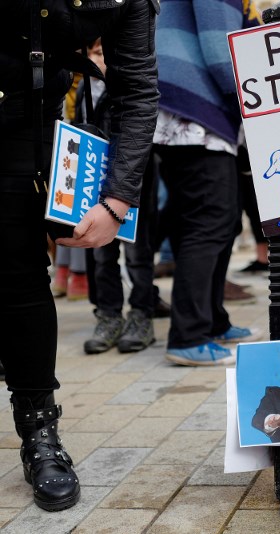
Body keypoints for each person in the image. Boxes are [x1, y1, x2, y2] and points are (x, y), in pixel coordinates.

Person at [0, 0, 159, 512]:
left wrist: (117, 200)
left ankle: (39, 436)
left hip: (28, 123)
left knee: (18, 276)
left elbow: (135, 90)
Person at [154, 0, 262, 367]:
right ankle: (188, 335)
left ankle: (212, 320)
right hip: (196, 110)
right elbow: (220, 48)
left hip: (195, 110)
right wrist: (254, 103)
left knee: (223, 220)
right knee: (210, 221)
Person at [77, 38, 162, 354]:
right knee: (101, 254)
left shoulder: (129, 88)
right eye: (93, 53)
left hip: (134, 183)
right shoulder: (85, 91)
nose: (98, 60)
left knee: (138, 252)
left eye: (103, 53)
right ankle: (109, 314)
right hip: (95, 182)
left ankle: (141, 313)